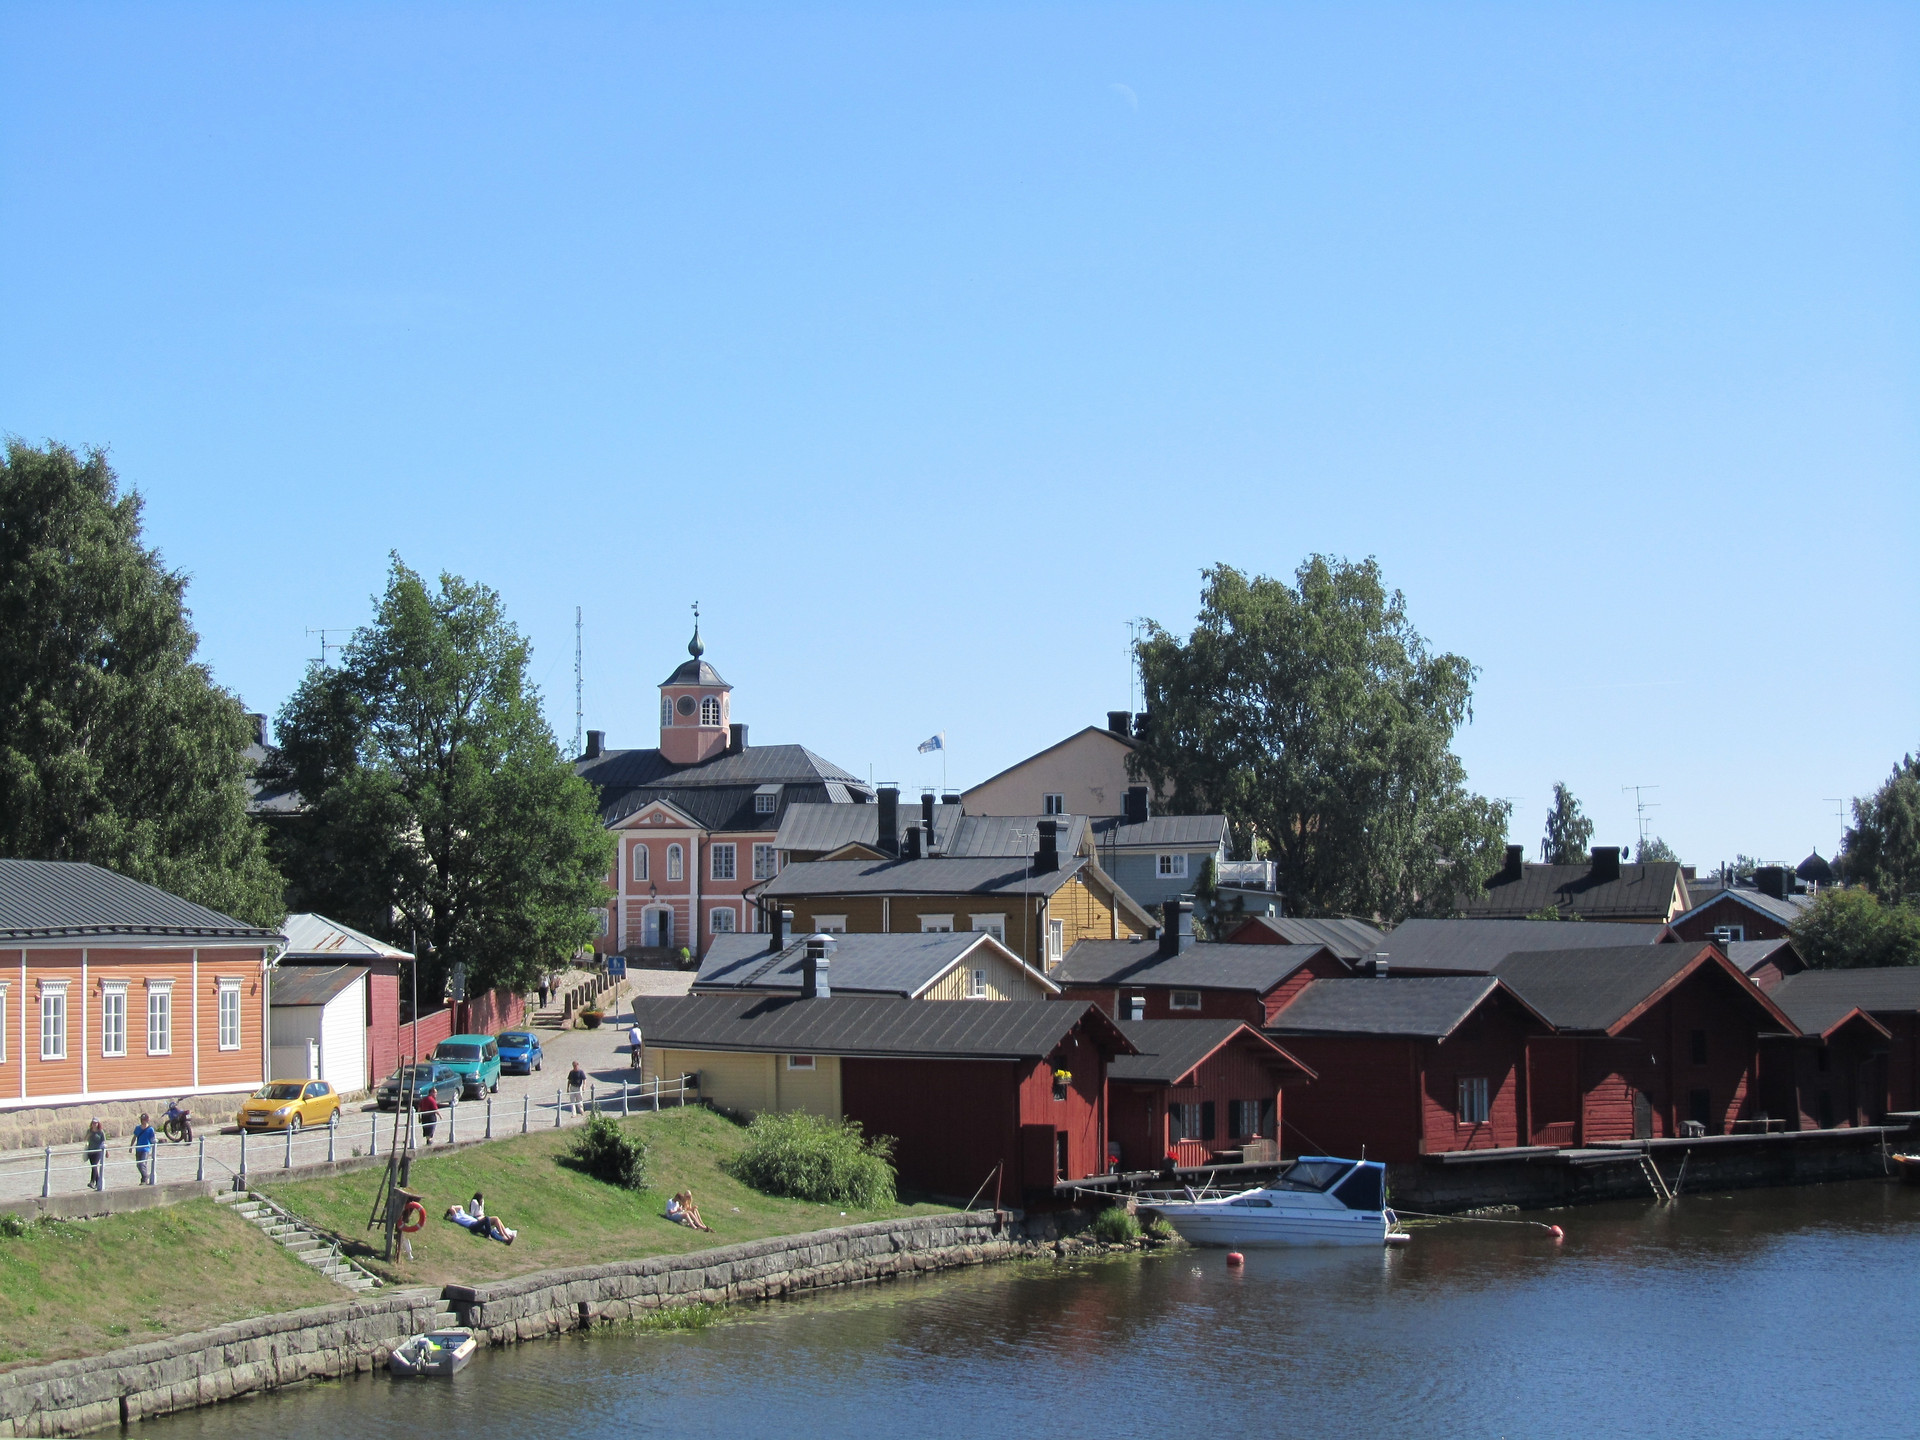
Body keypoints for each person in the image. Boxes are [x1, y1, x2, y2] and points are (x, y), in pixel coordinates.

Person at [130, 1113, 157, 1186]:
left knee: (142, 1164)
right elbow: (134, 1137)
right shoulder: (138, 1128)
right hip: (138, 1148)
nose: (143, 1121)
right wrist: (131, 1146)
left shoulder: (150, 1129)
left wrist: (153, 1148)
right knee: (138, 1165)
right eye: (142, 1119)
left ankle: (144, 1178)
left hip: (146, 1149)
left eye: (144, 1120)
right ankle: (144, 1177)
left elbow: (152, 1139)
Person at [84, 1118, 107, 1191]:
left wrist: (106, 1152)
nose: (94, 1124)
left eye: (96, 1123)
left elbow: (104, 1142)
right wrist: (89, 1134)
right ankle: (98, 1182)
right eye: (93, 1123)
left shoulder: (101, 1132)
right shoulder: (89, 1131)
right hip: (90, 1151)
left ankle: (92, 1182)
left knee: (94, 1165)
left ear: (98, 1124)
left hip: (98, 1151)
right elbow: (85, 1139)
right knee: (93, 1167)